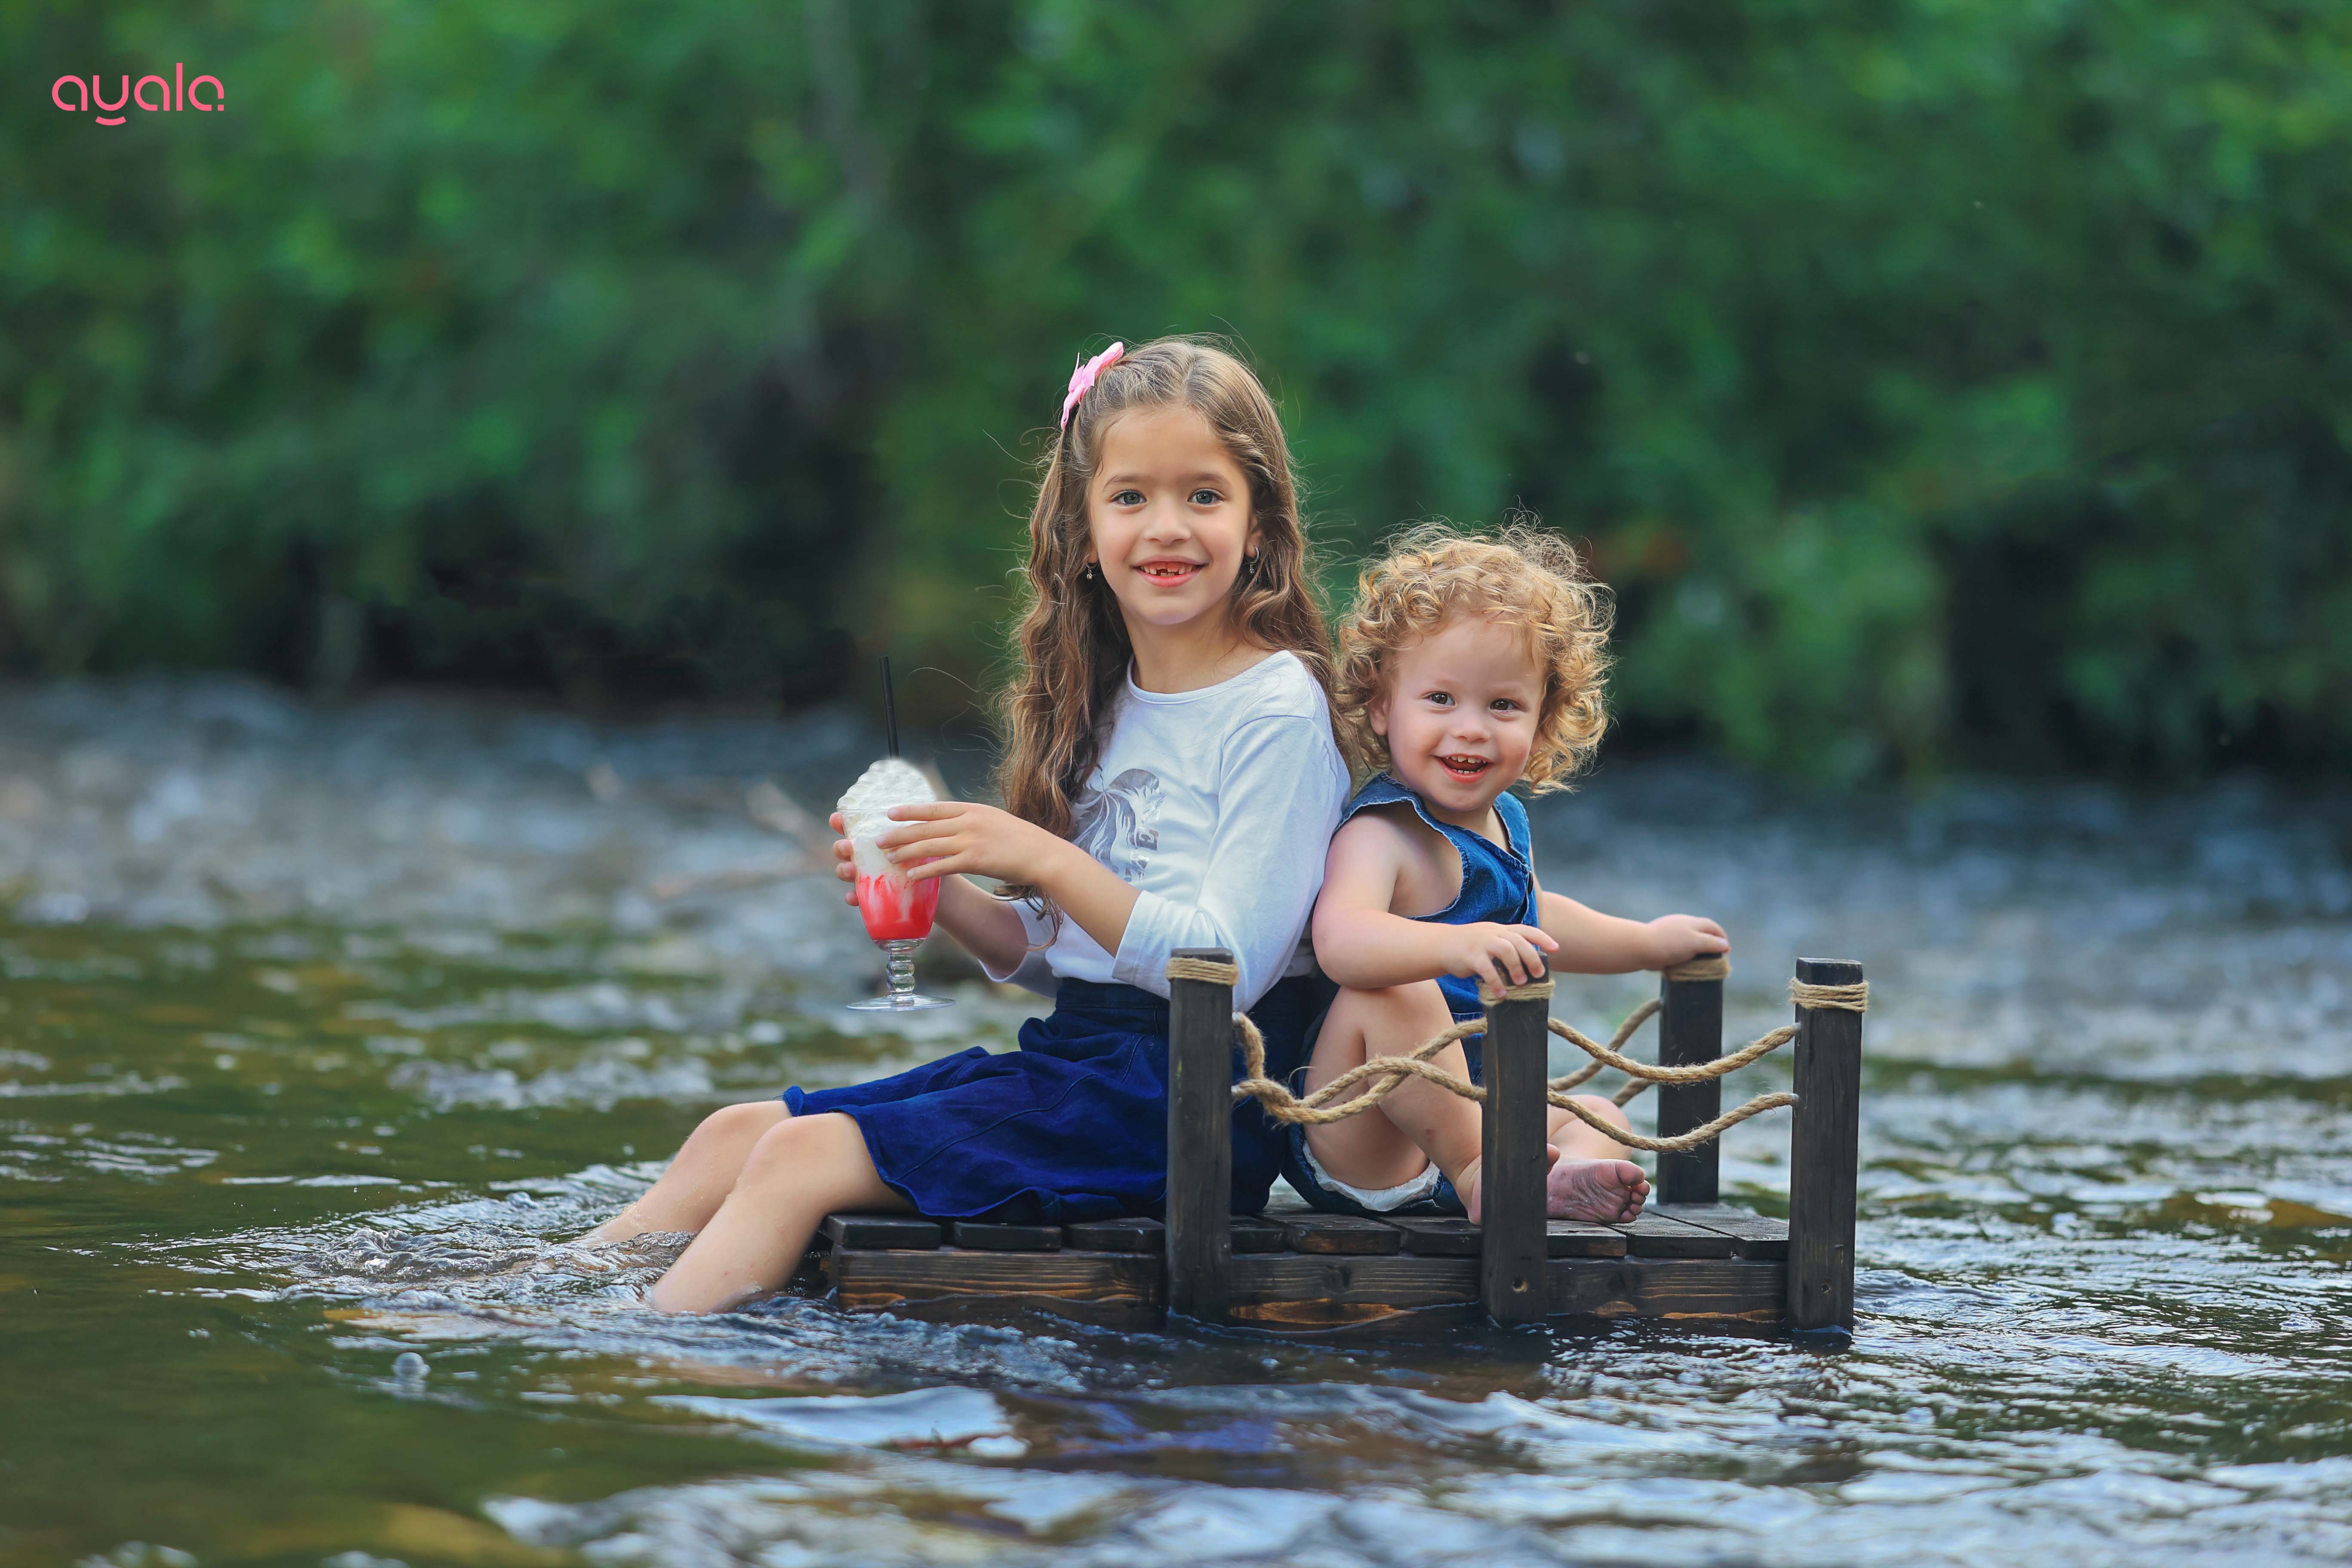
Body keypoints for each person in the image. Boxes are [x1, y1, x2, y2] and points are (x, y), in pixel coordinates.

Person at [585, 337, 1351, 1312]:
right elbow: (1062, 954)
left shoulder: (1275, 708)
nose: (1168, 528)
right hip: (1085, 1064)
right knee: (732, 1135)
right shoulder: (1108, 701)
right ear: (1080, 529)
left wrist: (1034, 854)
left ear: (1260, 523)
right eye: (1130, 498)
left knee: (798, 1157)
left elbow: (1225, 965)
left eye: (1204, 495)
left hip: (1190, 1102)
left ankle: (651, 1360)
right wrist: (944, 889)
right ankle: (533, 1299)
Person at [1281, 522, 1728, 1227]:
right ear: (1380, 706)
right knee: (1399, 989)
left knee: (1597, 1112)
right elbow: (1342, 941)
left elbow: (1538, 916)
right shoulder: (1383, 833)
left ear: (1542, 720)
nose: (1471, 729)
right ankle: (1482, 1173)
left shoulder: (1504, 824)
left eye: (1503, 706)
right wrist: (1455, 947)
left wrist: (1647, 943)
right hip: (1367, 1132)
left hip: (1484, 1107)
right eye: (1440, 700)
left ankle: (1555, 1179)